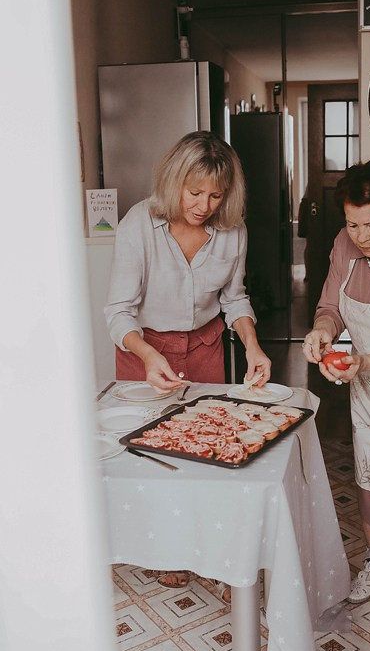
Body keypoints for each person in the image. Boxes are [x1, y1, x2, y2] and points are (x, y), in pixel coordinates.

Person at [105, 130, 272, 591]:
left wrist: (253, 345)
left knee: (204, 450)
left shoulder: (232, 231)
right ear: (173, 181)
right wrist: (147, 353)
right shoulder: (139, 224)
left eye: (215, 195)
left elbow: (234, 299)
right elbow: (118, 311)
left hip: (205, 347)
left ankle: (209, 546)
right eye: (194, 192)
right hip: (144, 349)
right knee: (151, 457)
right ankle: (164, 549)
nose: (204, 205)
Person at [302, 159, 370, 603]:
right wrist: (322, 332)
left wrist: (366, 361)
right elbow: (331, 306)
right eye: (352, 224)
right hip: (367, 389)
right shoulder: (344, 246)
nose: (361, 237)